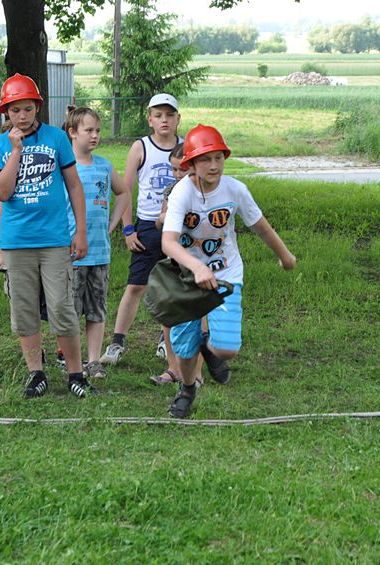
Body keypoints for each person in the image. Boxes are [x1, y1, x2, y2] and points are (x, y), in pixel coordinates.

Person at [162, 124, 297, 418]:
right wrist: (197, 266)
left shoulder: (235, 189)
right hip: (187, 277)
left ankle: (209, 349)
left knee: (227, 349)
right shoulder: (182, 192)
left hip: (227, 273)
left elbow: (260, 227)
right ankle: (187, 389)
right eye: (205, 160)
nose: (214, 166)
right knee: (184, 352)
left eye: (218, 158)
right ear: (192, 164)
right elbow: (168, 242)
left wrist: (285, 256)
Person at [0, 73, 96, 399]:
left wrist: (80, 231)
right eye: (15, 110)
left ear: (38, 106)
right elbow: (2, 192)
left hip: (54, 240)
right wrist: (16, 150)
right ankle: (36, 373)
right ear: (6, 112)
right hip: (17, 240)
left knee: (62, 307)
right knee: (24, 311)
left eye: (27, 108)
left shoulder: (57, 139)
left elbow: (74, 186)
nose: (22, 116)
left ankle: (76, 374)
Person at [100, 93, 182, 366]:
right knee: (136, 285)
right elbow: (125, 189)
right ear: (149, 119)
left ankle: (166, 339)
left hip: (180, 226)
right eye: (158, 115)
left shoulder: (186, 147)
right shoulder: (141, 147)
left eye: (169, 115)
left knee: (176, 285)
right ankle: (117, 341)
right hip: (147, 226)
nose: (164, 120)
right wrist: (128, 229)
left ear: (178, 119)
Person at [64, 107, 129, 380]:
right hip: (71, 254)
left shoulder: (103, 165)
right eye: (88, 130)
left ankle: (93, 361)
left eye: (98, 131)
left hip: (100, 253)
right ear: (72, 133)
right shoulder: (65, 168)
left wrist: (113, 225)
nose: (94, 136)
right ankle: (71, 361)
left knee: (96, 309)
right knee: (69, 311)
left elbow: (124, 191)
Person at [150, 142, 204, 387]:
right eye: (173, 170)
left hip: (198, 259)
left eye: (182, 170)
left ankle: (197, 373)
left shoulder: (204, 191)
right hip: (173, 260)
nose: (177, 175)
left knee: (198, 314)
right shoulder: (171, 189)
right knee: (169, 313)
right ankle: (173, 368)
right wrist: (164, 217)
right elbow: (160, 224)